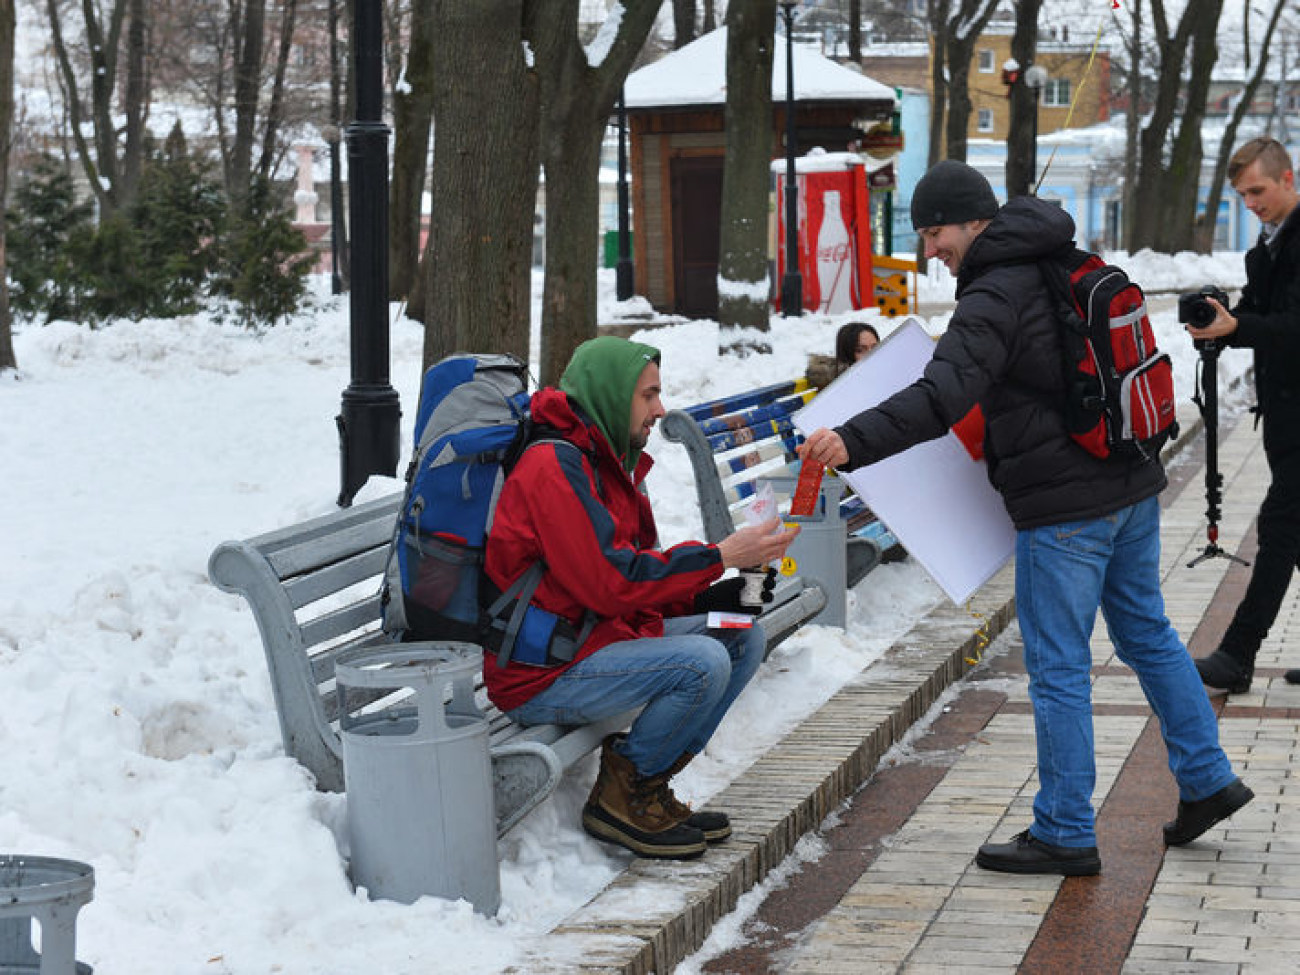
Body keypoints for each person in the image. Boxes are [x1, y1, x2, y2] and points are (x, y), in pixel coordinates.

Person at [798, 159, 1252, 876]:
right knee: (1150, 635)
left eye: (935, 231)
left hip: (1067, 509)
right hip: (1129, 486)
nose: (931, 250)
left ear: (972, 221)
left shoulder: (994, 293)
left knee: (1060, 666)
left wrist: (853, 437)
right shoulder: (1063, 257)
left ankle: (1065, 828)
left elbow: (941, 395)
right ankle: (1206, 777)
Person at [483, 336, 799, 860]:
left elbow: (626, 582)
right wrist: (718, 557)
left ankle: (646, 788)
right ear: (611, 394)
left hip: (591, 642)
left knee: (740, 636)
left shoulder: (601, 462)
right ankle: (620, 798)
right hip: (539, 671)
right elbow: (610, 582)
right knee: (699, 663)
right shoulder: (553, 469)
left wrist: (710, 593)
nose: (660, 409)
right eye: (649, 396)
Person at [1189, 137, 1300, 694]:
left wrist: (1242, 327)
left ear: (1288, 179)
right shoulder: (1268, 248)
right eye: (1242, 195)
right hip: (1287, 416)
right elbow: (1264, 315)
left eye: (1257, 190)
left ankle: (1238, 654)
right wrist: (1222, 321)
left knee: (1280, 529)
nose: (1250, 202)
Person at [806, 321, 880, 390]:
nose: (871, 354)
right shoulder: (838, 387)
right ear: (846, 354)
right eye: (860, 350)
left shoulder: (884, 374)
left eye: (875, 347)